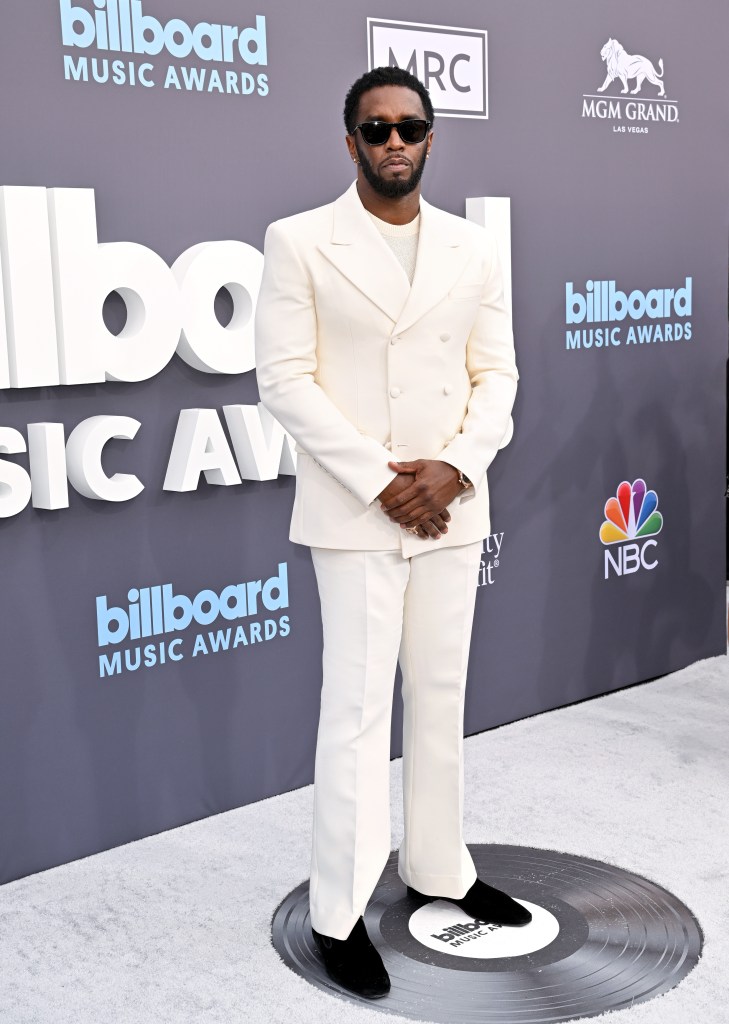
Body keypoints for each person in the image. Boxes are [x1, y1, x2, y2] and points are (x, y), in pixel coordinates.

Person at [254, 66, 525, 999]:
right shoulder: (298, 242)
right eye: (376, 130)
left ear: (431, 138)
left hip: (453, 504)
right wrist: (384, 480)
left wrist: (453, 467)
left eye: (410, 127)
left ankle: (439, 871)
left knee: (441, 700)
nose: (394, 143)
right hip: (354, 510)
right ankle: (338, 913)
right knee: (359, 713)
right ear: (351, 143)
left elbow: (498, 377)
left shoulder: (472, 249)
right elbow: (285, 381)